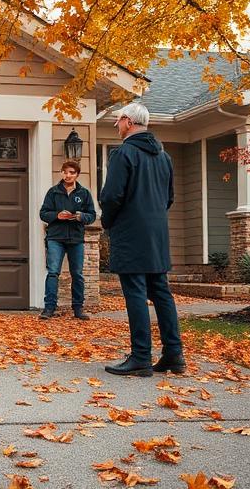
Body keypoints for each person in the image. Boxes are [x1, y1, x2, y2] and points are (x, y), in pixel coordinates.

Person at [100, 103, 185, 377]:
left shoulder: (123, 153)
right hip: (157, 233)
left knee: (135, 292)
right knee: (161, 291)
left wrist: (108, 222)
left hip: (130, 233)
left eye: (117, 120)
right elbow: (169, 197)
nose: (116, 125)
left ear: (127, 121)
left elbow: (111, 196)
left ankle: (140, 357)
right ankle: (174, 354)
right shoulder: (165, 157)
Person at [38, 160, 96, 320]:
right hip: (55, 237)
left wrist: (81, 216)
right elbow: (43, 213)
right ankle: (49, 308)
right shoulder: (53, 192)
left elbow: (92, 215)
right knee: (53, 273)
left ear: (77, 174)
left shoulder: (84, 193)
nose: (68, 175)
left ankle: (78, 309)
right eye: (65, 172)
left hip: (76, 239)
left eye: (71, 172)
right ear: (61, 173)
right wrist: (57, 215)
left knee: (77, 274)